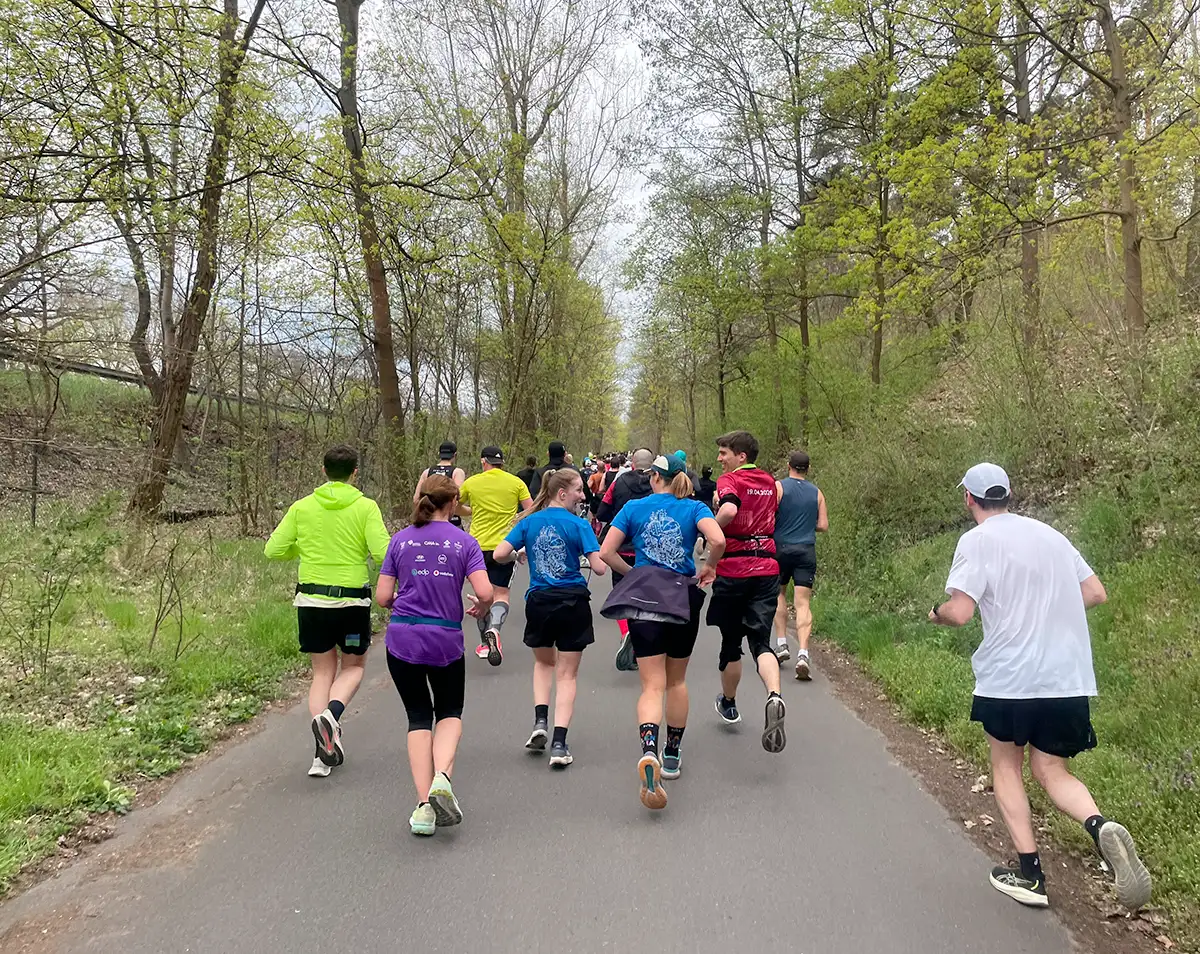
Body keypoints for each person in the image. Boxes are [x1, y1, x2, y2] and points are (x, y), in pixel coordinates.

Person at [930, 463, 1151, 910]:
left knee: (1007, 767)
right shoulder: (1052, 536)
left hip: (1010, 679)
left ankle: (1030, 875)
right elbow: (1095, 592)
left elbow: (961, 612)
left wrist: (935, 612)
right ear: (1008, 496)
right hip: (1066, 678)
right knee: (1052, 771)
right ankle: (1099, 825)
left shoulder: (977, 541)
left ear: (969, 499)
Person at [600, 454, 725, 810]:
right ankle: (671, 755)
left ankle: (647, 750)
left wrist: (634, 574)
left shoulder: (635, 508)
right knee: (676, 682)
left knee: (651, 684)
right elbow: (717, 539)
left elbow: (607, 551)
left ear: (655, 476)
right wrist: (708, 568)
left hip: (644, 598)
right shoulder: (694, 508)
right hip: (683, 594)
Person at [375, 476, 493, 836]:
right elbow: (485, 591)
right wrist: (480, 606)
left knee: (417, 717)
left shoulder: (400, 539)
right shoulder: (465, 542)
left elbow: (382, 597)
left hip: (403, 638)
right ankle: (442, 778)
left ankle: (424, 806)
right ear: (454, 502)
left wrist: (405, 604)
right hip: (444, 637)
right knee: (449, 711)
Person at [265, 444, 389, 778]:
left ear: (323, 471)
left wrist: (303, 549)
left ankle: (321, 757)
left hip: (311, 601)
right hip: (351, 601)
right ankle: (331, 717)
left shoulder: (302, 507)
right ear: (355, 473)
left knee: (322, 673)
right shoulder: (365, 507)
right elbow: (383, 553)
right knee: (353, 667)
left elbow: (273, 550)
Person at [492, 470, 607, 768]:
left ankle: (539, 723)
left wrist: (519, 554)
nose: (583, 495)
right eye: (579, 490)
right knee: (567, 675)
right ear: (562, 493)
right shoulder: (580, 525)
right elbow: (599, 569)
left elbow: (500, 554)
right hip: (572, 603)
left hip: (539, 602)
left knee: (543, 664)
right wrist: (590, 554)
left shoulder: (529, 522)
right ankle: (559, 744)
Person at [708, 430, 786, 753]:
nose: (719, 459)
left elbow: (728, 511)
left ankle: (729, 703)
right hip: (767, 568)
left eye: (724, 452)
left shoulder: (730, 481)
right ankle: (774, 696)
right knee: (760, 642)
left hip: (734, 570)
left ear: (741, 456)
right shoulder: (770, 481)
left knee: (731, 644)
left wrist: (711, 528)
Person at [458, 446, 533, 664]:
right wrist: (514, 520)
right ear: (502, 462)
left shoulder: (471, 482)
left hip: (476, 547)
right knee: (501, 595)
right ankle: (494, 630)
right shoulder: (516, 482)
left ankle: (484, 643)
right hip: (505, 547)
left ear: (484, 461)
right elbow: (530, 510)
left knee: (483, 595)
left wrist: (471, 511)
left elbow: (453, 506)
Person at [596, 448, 656, 671]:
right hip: (649, 550)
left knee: (621, 594)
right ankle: (645, 638)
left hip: (621, 548)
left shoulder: (619, 483)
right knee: (647, 595)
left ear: (632, 463)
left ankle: (626, 632)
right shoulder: (658, 483)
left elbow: (602, 512)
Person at [773, 450, 829, 677]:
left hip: (780, 549)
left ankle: (782, 643)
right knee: (803, 602)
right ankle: (803, 653)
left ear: (789, 466)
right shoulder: (817, 493)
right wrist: (806, 526)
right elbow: (823, 525)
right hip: (806, 550)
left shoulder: (778, 487)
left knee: (779, 594)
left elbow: (769, 515)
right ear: (808, 468)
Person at [414, 441, 466, 527]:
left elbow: (416, 499)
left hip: (428, 520)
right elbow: (457, 499)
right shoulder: (457, 472)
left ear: (439, 454)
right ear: (455, 455)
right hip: (451, 522)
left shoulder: (427, 472)